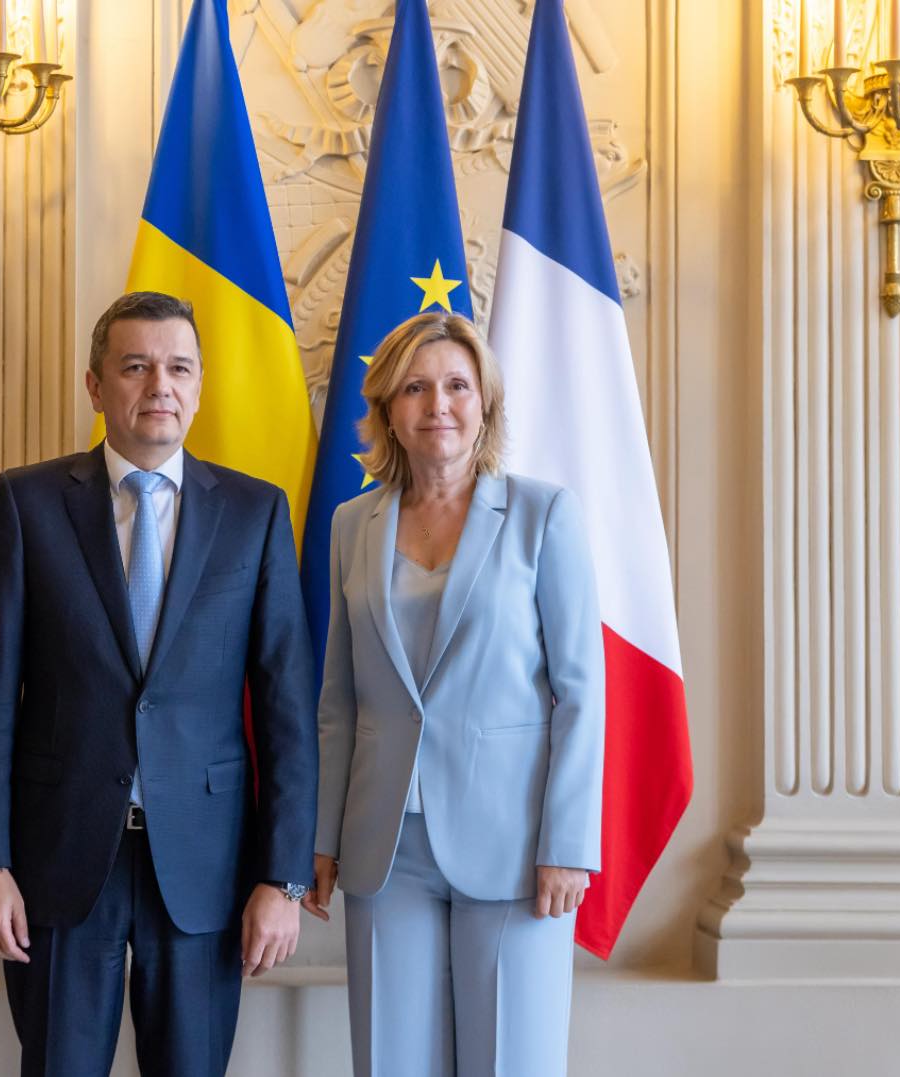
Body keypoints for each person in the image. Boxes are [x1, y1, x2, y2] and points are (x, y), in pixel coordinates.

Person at [0, 291, 317, 1077]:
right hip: (56, 859)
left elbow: (287, 709)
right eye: (136, 366)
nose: (160, 385)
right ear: (95, 385)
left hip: (206, 866)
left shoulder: (254, 512)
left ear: (199, 385)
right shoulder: (27, 503)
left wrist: (283, 877)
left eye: (179, 367)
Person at [304, 310, 605, 1077]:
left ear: (485, 402)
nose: (437, 403)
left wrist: (568, 844)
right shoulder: (350, 524)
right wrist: (323, 836)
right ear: (387, 409)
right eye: (414, 387)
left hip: (515, 843)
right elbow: (338, 699)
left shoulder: (543, 515)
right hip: (384, 846)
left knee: (511, 1062)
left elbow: (579, 693)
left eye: (456, 386)